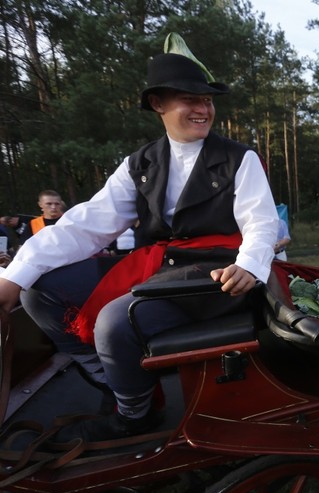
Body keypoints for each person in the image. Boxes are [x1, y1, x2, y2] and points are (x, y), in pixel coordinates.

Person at [0, 39, 280, 443]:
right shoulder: (140, 164)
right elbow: (88, 224)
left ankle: (135, 415)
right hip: (161, 269)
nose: (203, 109)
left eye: (207, 99)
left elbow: (261, 222)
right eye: (189, 99)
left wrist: (250, 265)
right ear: (158, 104)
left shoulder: (240, 158)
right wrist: (17, 274)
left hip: (218, 275)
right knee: (38, 292)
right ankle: (117, 383)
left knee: (116, 321)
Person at [1, 190, 67, 246]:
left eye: (57, 204)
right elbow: (24, 247)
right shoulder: (33, 224)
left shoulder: (68, 221)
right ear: (40, 204)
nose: (53, 207)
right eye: (49, 204)